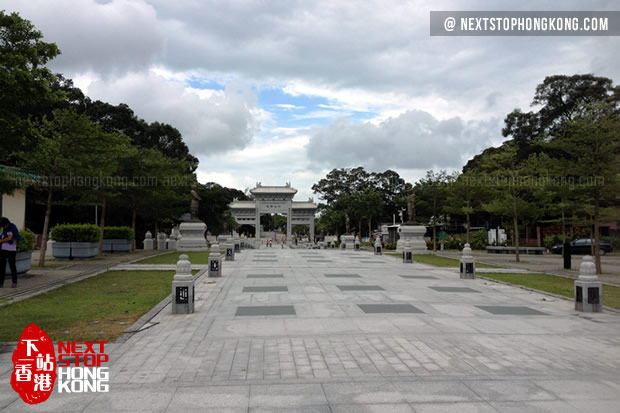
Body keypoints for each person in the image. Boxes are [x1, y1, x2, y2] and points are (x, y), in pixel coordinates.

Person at [0, 217, 19, 288]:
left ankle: (14, 282)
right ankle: (1, 283)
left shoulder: (12, 227)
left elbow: (9, 238)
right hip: (3, 249)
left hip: (11, 250)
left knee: (12, 266)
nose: (3, 227)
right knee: (1, 267)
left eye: (4, 225)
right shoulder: (5, 228)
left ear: (7, 223)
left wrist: (1, 241)